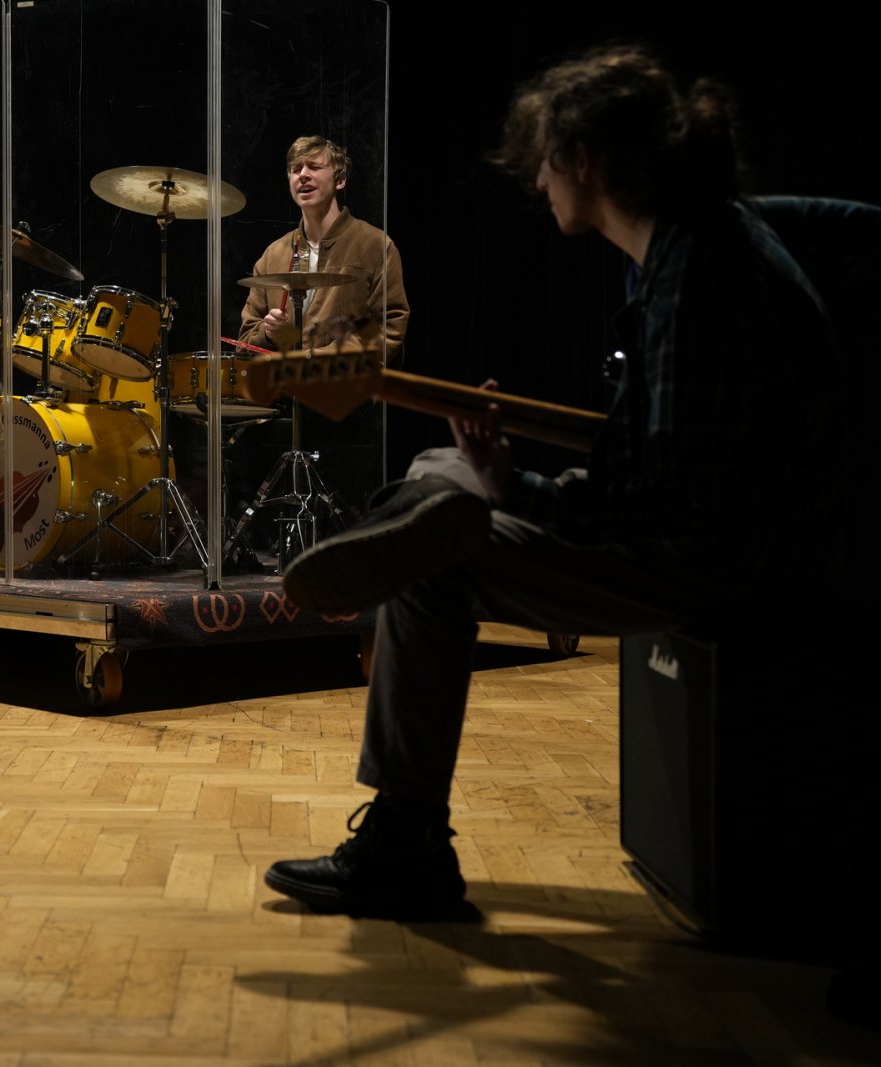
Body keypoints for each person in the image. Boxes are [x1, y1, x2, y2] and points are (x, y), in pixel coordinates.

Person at [264, 43, 861, 922]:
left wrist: (517, 490)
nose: (537, 182)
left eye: (544, 162)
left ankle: (407, 847)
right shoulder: (702, 237)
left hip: (725, 560)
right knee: (442, 470)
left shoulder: (693, 276)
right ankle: (420, 513)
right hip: (719, 524)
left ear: (585, 160)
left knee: (433, 562)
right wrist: (502, 474)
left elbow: (660, 506)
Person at [237, 135, 409, 360]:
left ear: (340, 180)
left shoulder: (375, 245)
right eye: (295, 169)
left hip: (345, 381)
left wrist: (319, 358)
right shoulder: (273, 254)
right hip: (285, 382)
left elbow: (389, 329)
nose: (303, 174)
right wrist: (268, 334)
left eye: (314, 167)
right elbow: (244, 344)